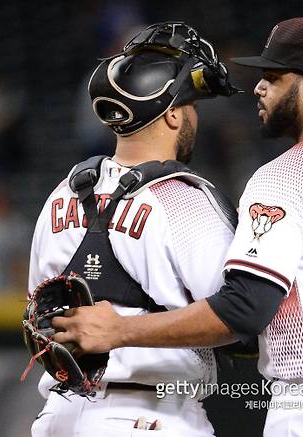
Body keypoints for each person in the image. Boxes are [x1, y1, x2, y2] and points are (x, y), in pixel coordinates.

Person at [52, 18, 303, 436]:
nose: (258, 88)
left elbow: (244, 308)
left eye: (273, 78)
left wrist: (119, 330)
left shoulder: (289, 173)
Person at [27, 22, 239, 436]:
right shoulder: (184, 199)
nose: (193, 116)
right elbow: (235, 315)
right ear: (173, 114)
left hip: (59, 414)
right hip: (150, 414)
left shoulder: (61, 195)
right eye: (191, 107)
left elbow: (39, 307)